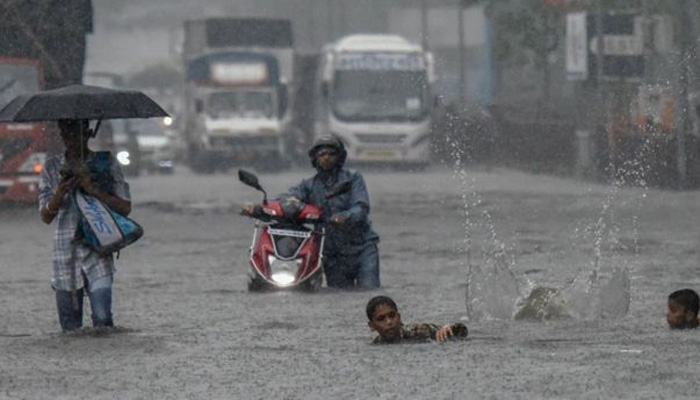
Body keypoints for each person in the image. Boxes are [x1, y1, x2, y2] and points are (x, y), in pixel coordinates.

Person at [243, 135, 380, 289]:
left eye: (331, 154)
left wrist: (345, 216)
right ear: (315, 159)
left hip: (362, 248)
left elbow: (361, 207)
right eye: (322, 154)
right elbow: (285, 201)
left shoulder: (353, 178)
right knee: (340, 294)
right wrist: (257, 209)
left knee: (370, 291)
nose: (326, 158)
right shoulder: (309, 185)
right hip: (332, 253)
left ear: (339, 157)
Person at [38, 118, 132, 332]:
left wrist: (92, 189)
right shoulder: (52, 168)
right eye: (66, 134)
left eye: (76, 133)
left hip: (98, 249)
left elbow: (125, 208)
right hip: (65, 257)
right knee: (70, 329)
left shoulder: (105, 164)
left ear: (88, 133)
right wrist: (60, 193)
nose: (70, 139)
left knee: (103, 318)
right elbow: (45, 216)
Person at [366, 295, 468, 344]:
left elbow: (462, 330)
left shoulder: (415, 331)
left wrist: (449, 328)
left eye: (392, 316)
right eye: (381, 319)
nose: (389, 322)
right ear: (372, 326)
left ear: (399, 317)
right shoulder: (376, 344)